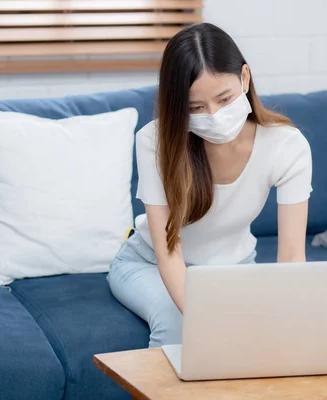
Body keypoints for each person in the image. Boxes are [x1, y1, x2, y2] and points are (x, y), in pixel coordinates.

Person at [107, 22, 313, 348]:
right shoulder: (155, 142)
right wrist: (205, 319)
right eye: (196, 108)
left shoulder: (287, 147)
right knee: (181, 326)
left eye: (224, 98)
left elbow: (290, 256)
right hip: (147, 265)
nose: (214, 116)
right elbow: (168, 252)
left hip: (234, 268)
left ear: (244, 78)